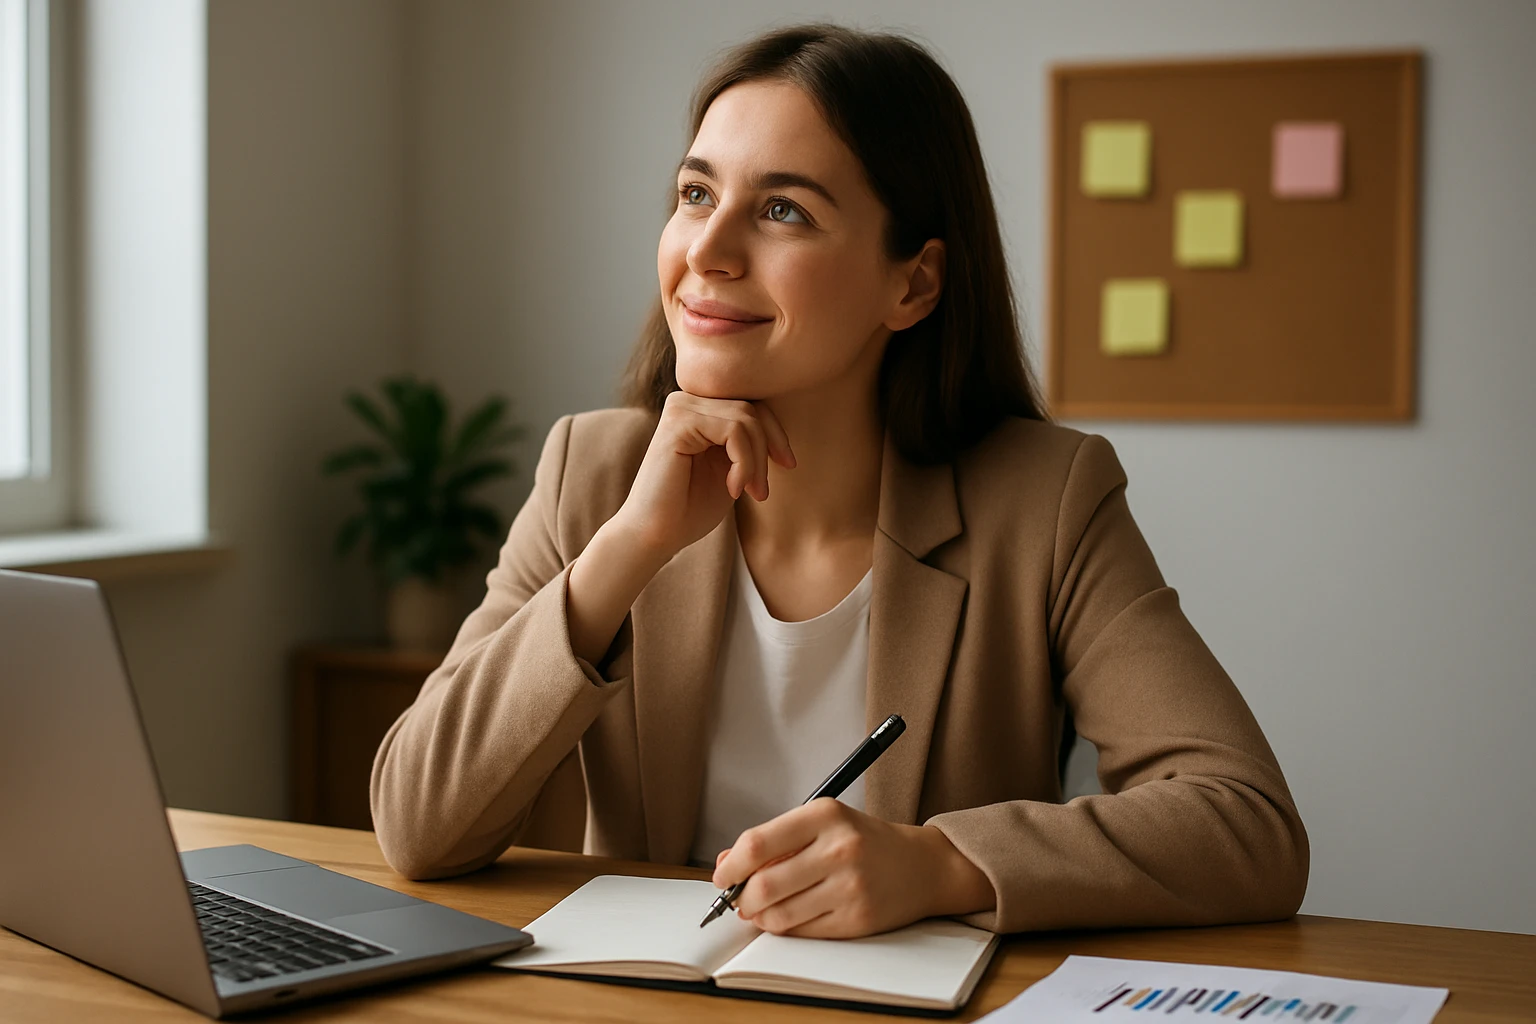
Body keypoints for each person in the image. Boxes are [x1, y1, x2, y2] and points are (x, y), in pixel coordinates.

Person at [370, 24, 1308, 939]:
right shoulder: (594, 472)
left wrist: (939, 865)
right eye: (697, 193)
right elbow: (418, 828)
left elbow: (1245, 822)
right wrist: (627, 549)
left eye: (784, 210)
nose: (709, 249)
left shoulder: (1046, 500)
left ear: (915, 286)